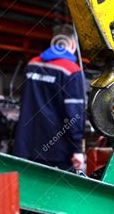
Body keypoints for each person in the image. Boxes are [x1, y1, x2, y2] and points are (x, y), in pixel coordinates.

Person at [13, 25, 85, 170]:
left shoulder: (32, 65)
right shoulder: (71, 71)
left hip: (26, 147)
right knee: (58, 191)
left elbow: (24, 102)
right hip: (58, 153)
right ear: (72, 44)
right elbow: (74, 114)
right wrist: (77, 149)